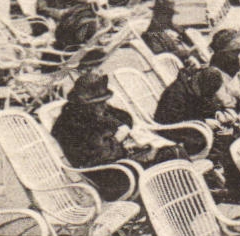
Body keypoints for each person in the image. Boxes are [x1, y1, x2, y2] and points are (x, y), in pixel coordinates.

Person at [50, 71, 184, 201]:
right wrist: (118, 138)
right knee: (170, 160)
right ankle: (174, 206)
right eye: (99, 103)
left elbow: (125, 118)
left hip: (122, 162)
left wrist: (122, 132)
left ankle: (179, 204)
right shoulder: (70, 125)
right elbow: (97, 157)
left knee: (174, 153)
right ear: (85, 104)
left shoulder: (94, 111)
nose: (104, 106)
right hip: (109, 176)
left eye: (104, 101)